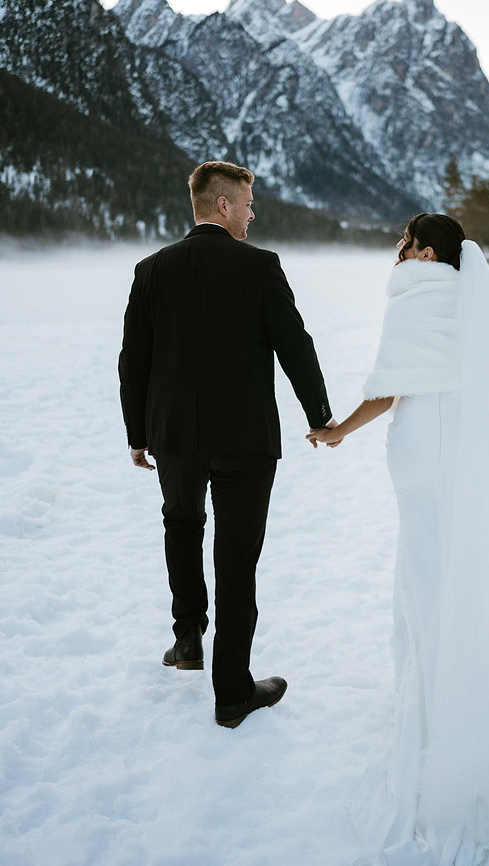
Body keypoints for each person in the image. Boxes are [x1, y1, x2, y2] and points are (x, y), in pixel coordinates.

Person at [307, 213, 489, 866]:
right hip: (461, 454)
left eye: (405, 240)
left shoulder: (414, 293)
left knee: (422, 574)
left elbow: (388, 391)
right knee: (455, 569)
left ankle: (431, 710)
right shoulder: (469, 303)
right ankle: (460, 686)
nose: (398, 249)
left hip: (421, 454)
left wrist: (335, 430)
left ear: (425, 250)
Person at [118, 160, 337, 728]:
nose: (251, 213)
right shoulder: (259, 266)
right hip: (245, 440)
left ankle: (187, 640)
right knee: (236, 559)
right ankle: (232, 692)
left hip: (173, 438)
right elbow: (296, 345)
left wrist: (138, 434)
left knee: (182, 526)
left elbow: (133, 361)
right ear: (222, 205)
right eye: (247, 204)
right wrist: (319, 415)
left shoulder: (152, 270)